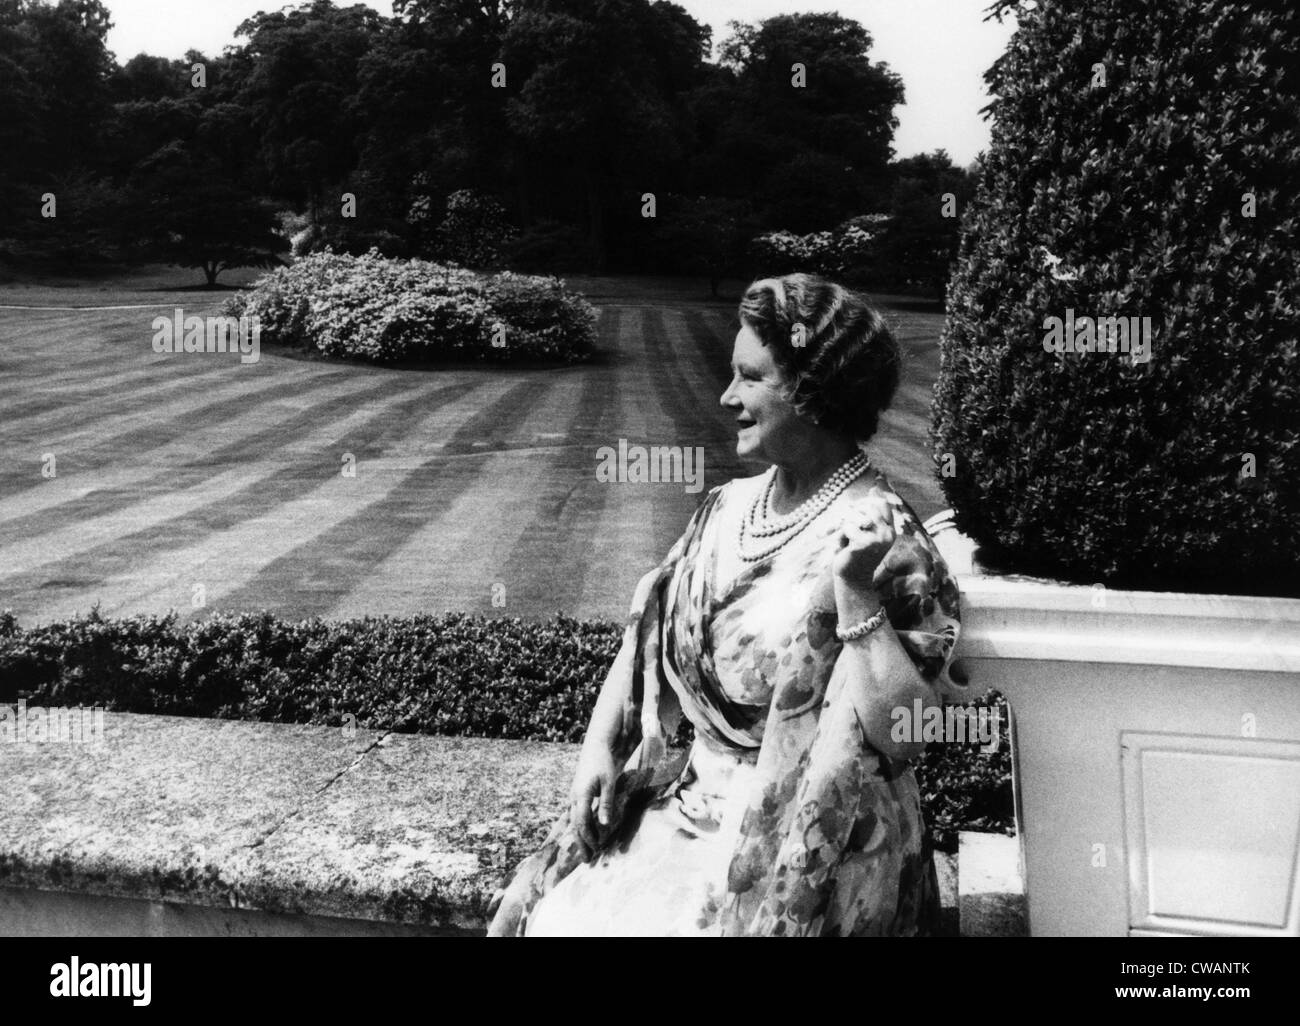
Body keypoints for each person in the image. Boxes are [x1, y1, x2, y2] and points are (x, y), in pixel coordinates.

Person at [488, 273, 965, 937]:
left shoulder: (883, 535)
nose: (727, 396)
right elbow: (643, 639)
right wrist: (599, 750)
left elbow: (908, 734)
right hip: (686, 811)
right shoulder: (725, 509)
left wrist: (856, 595)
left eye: (750, 377)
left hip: (813, 852)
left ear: (814, 391)